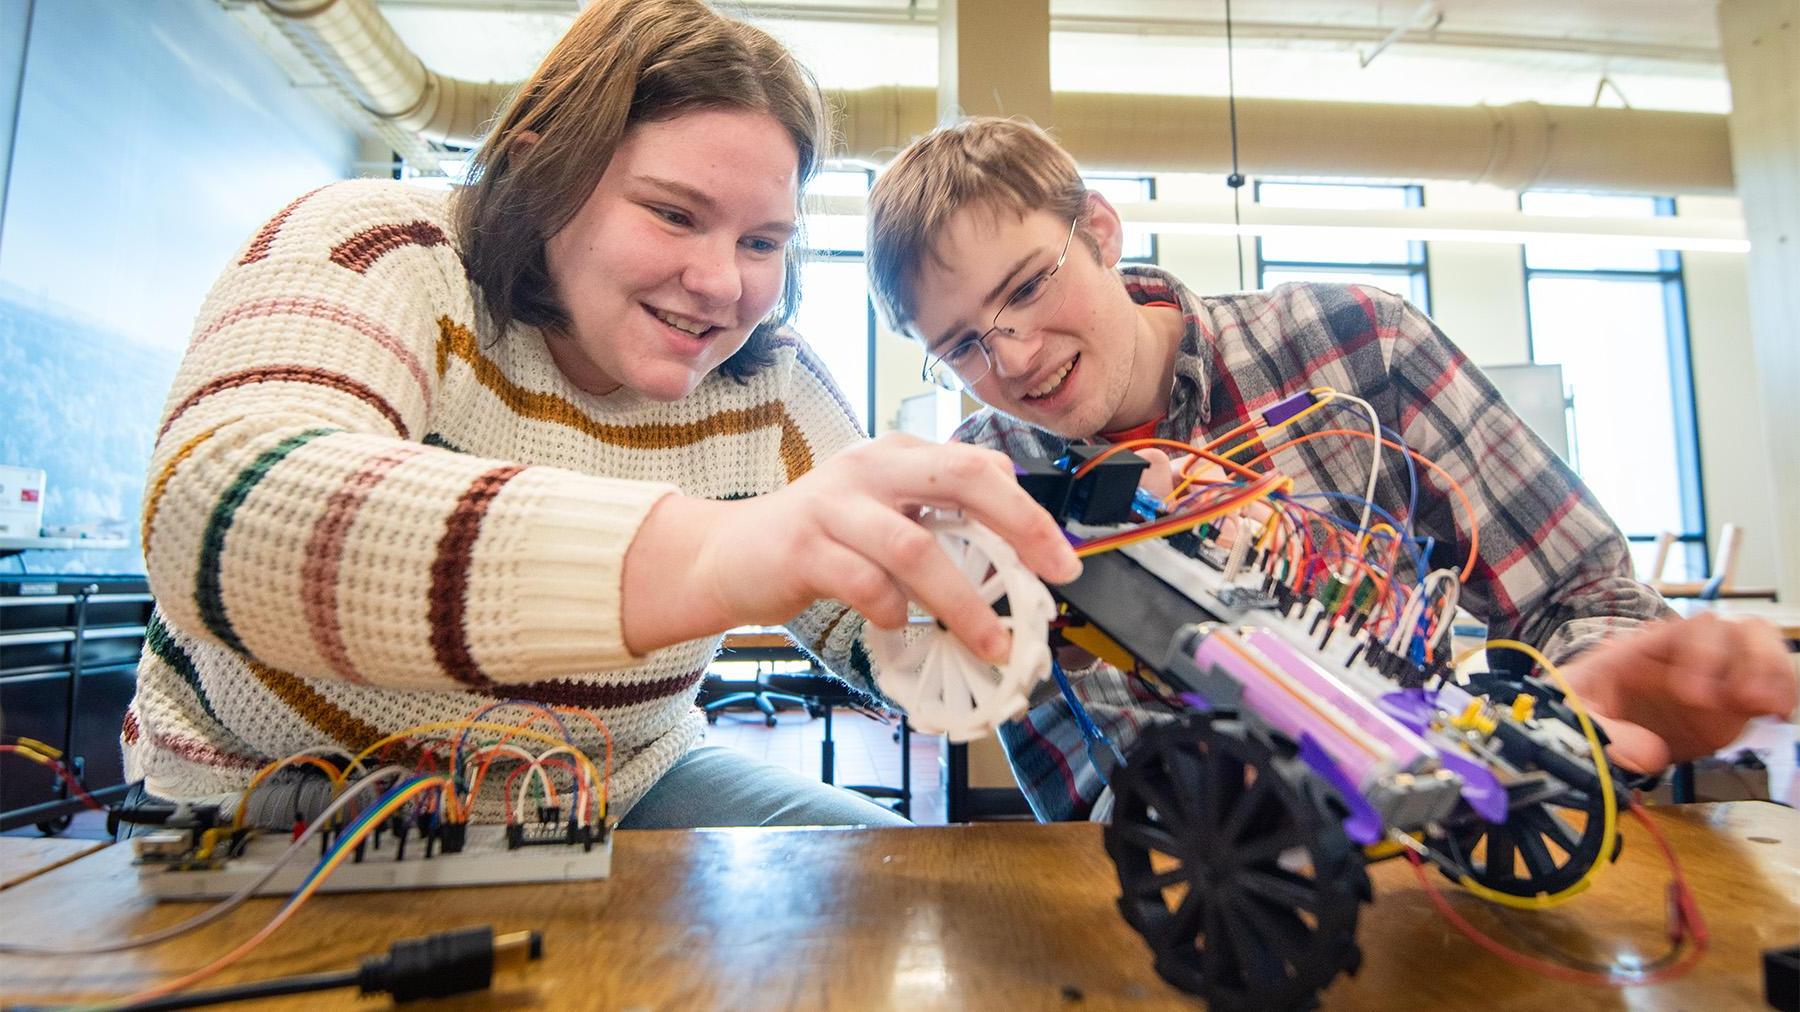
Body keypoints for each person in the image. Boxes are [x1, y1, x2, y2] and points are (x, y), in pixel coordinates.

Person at [126, 1, 1079, 831]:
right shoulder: (382, 248)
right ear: (547, 178)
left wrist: (1005, 608)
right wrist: (706, 553)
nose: (720, 284)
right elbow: (216, 511)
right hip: (276, 794)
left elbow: (883, 630)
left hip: (621, 784)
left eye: (761, 241)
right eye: (672, 214)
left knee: (899, 896)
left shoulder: (772, 384)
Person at [865, 117, 1796, 822]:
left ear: (1101, 231)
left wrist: (1568, 716)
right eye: (964, 346)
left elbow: (1587, 598)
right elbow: (1123, 804)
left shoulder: (1359, 348)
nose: (1016, 357)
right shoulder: (993, 498)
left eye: (1027, 286)